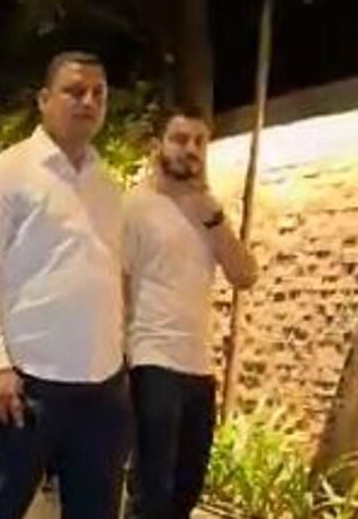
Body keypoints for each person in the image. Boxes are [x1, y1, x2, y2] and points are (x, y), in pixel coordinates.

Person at [0, 51, 131, 519]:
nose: (88, 102)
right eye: (75, 91)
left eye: (98, 93)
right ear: (43, 99)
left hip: (102, 388)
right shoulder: (5, 174)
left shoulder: (106, 185)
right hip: (26, 382)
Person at [124, 106, 258, 519]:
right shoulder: (135, 207)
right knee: (152, 491)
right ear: (157, 147)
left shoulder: (208, 211)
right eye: (180, 139)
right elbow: (119, 284)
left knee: (187, 488)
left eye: (200, 141)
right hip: (152, 361)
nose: (192, 149)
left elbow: (245, 275)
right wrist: (119, 359)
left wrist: (213, 217)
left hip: (199, 366)